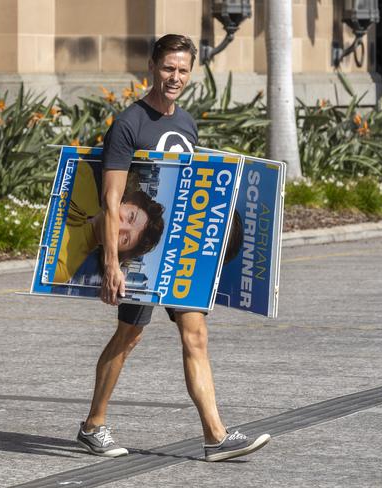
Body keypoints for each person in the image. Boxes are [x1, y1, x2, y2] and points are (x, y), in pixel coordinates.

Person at [76, 34, 271, 462]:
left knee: (195, 335)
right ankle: (93, 425)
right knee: (128, 336)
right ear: (152, 67)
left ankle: (215, 437)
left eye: (183, 70)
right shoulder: (130, 124)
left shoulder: (185, 123)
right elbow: (111, 201)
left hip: (178, 254)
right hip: (140, 257)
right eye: (168, 68)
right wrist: (112, 262)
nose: (175, 77)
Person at [54, 161, 165, 283]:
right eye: (131, 217)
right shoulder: (84, 174)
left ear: (117, 252)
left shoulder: (64, 268)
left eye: (125, 239)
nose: (120, 226)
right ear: (126, 201)